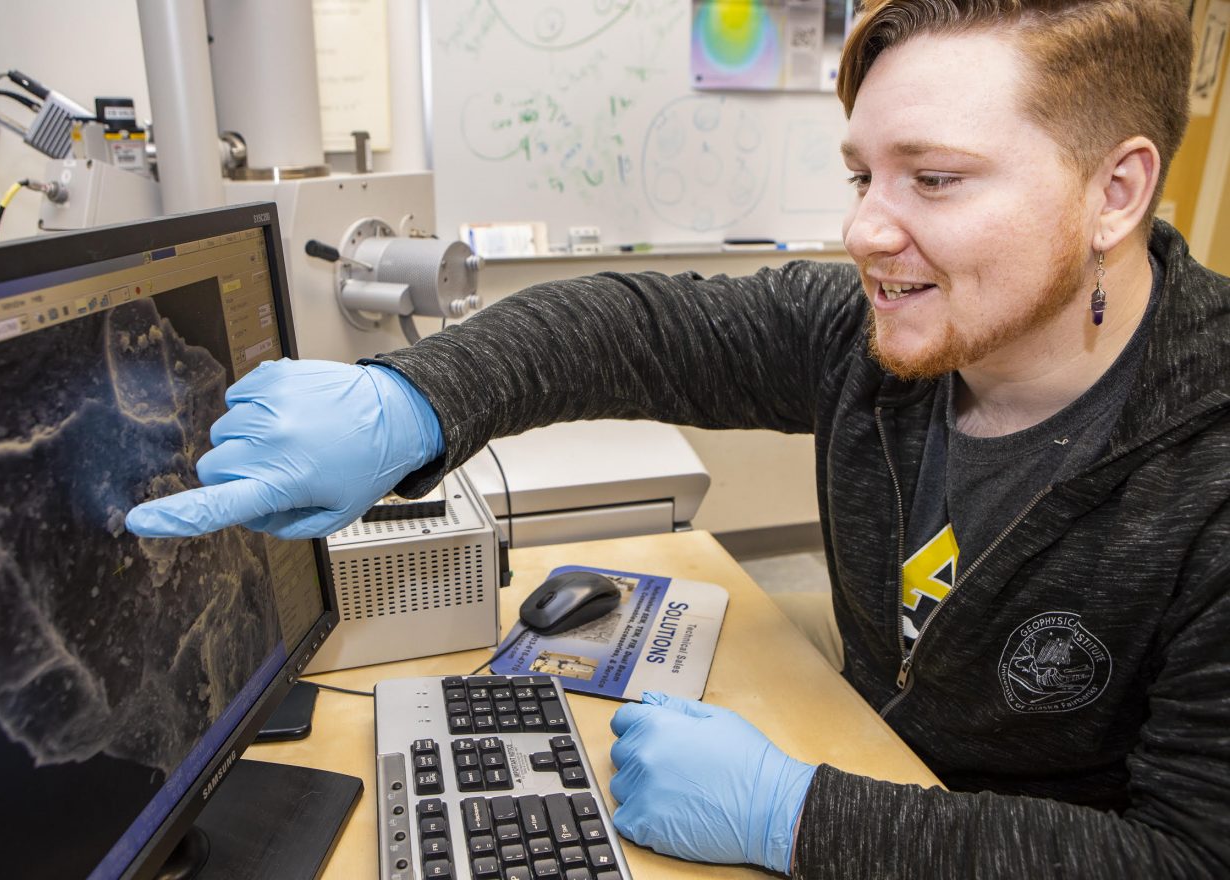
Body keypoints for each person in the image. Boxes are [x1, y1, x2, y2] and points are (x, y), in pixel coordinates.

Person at [128, 0, 1230, 874]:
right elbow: (629, 326)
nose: (863, 231)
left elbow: (1187, 855)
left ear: (1117, 191)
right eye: (862, 175)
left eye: (933, 179)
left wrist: (798, 818)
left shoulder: (1207, 459)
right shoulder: (875, 337)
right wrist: (413, 401)